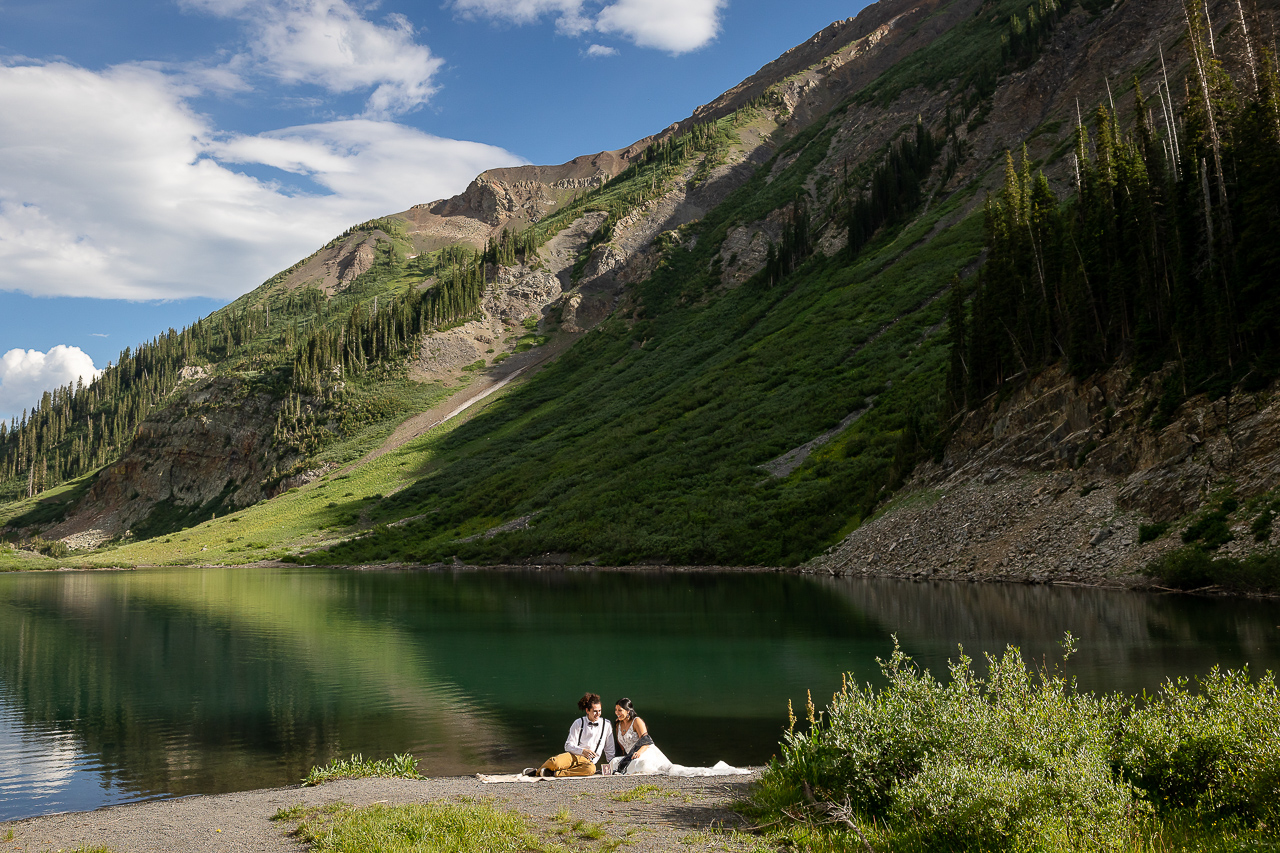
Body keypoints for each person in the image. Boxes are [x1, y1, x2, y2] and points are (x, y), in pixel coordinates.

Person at [609, 697, 751, 777]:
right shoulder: (618, 725)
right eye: (616, 710)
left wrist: (638, 752)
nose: (617, 713)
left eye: (620, 710)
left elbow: (646, 740)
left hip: (645, 751)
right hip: (631, 755)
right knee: (615, 761)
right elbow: (622, 747)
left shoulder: (637, 721)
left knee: (642, 764)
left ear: (628, 711)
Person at [526, 692, 616, 777]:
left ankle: (555, 774)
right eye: (595, 711)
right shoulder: (578, 722)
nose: (598, 714)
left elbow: (609, 748)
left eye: (599, 711)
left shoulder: (606, 724)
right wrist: (582, 751)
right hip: (573, 756)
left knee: (590, 770)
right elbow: (568, 746)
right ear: (587, 710)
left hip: (588, 762)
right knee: (555, 762)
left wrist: (612, 765)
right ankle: (537, 771)